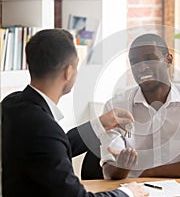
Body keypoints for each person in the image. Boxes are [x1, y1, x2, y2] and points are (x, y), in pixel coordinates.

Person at [1, 29, 148, 197]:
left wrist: (100, 124)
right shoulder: (44, 129)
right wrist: (127, 193)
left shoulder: (11, 104)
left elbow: (51, 149)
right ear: (68, 72)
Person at [99, 33, 180, 180]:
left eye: (149, 59)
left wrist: (147, 173)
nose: (142, 68)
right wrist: (122, 166)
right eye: (134, 62)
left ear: (168, 60)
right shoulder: (116, 107)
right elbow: (109, 171)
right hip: (133, 192)